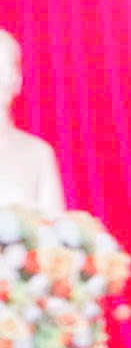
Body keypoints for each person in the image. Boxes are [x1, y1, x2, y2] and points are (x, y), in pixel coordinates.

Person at [0, 29, 67, 212]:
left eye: (9, 67)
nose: (5, 77)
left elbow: (55, 225)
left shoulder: (38, 153)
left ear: (18, 79)